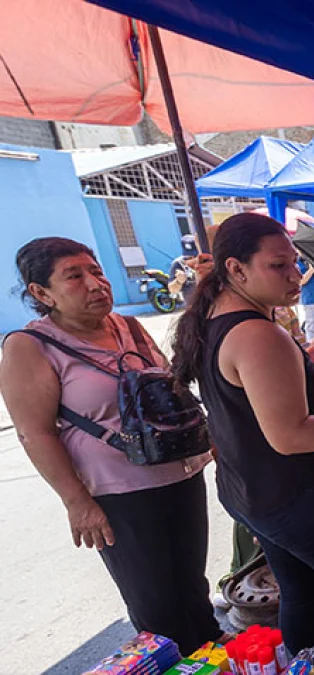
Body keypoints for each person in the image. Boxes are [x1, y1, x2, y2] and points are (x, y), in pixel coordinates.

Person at [171, 213, 314, 664]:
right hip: (300, 495)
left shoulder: (217, 320)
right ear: (237, 270)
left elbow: (253, 404)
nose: (296, 275)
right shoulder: (259, 334)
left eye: (295, 263)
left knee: (300, 589)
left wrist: (303, 357)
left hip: (252, 493)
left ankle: (310, 668)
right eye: (279, 266)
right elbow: (290, 435)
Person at [0, 237, 221, 654]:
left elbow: (168, 385)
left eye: (97, 270)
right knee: (157, 606)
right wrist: (76, 502)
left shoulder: (129, 325)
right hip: (118, 495)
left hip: (179, 474)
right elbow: (36, 433)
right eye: (75, 276)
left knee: (194, 589)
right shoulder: (29, 347)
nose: (95, 283)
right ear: (41, 293)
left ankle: (212, 660)